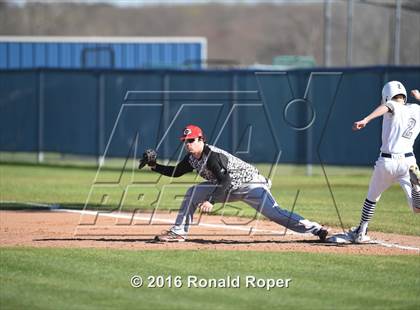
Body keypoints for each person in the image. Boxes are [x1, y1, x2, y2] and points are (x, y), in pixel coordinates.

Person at [139, 124, 328, 242]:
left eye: (191, 140)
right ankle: (179, 232)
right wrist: (154, 165)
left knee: (276, 214)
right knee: (192, 192)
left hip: (250, 184)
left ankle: (317, 229)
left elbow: (226, 179)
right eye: (185, 141)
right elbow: (175, 172)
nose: (187, 143)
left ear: (201, 139)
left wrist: (211, 200)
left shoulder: (212, 156)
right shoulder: (191, 158)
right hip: (227, 188)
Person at [349, 81, 420, 243]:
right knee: (417, 208)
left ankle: (361, 231)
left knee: (372, 198)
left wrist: (366, 119)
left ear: (387, 96)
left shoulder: (392, 105)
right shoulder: (416, 109)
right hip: (409, 162)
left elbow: (387, 107)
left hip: (388, 161)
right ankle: (417, 189)